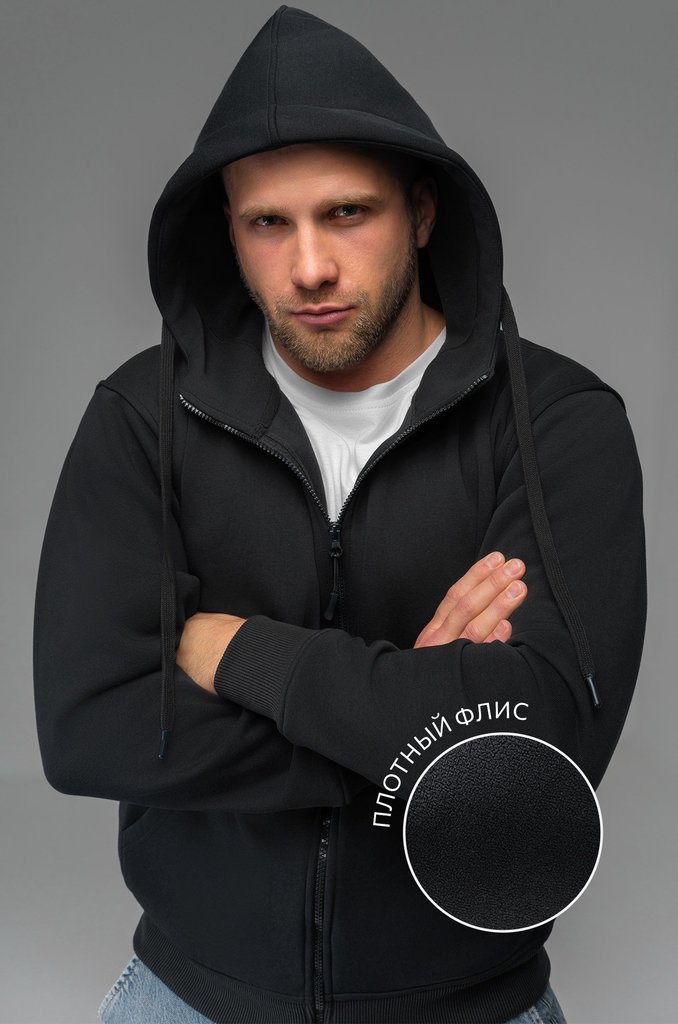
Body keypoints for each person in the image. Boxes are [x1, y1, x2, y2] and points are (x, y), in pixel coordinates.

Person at [32, 6, 646, 1024]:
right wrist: (418, 715)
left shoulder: (559, 423)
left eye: (347, 213)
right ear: (227, 231)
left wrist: (241, 653)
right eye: (267, 223)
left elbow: (547, 748)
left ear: (422, 212)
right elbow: (89, 729)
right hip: (188, 1000)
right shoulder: (145, 417)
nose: (309, 266)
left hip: (473, 1008)